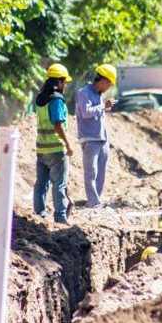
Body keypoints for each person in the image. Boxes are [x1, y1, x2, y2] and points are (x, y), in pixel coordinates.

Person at [33, 63, 75, 224]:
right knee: (59, 183)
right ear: (59, 82)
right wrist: (69, 145)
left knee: (41, 183)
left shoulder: (40, 99)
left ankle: (39, 213)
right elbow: (57, 124)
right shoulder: (56, 100)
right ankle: (60, 216)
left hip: (42, 148)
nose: (65, 85)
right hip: (56, 149)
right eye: (64, 82)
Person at [76, 64, 117, 208]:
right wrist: (102, 107)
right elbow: (86, 113)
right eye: (109, 84)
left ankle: (96, 200)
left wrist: (104, 107)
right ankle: (93, 202)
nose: (109, 88)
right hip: (90, 138)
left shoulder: (99, 95)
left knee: (101, 171)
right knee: (91, 172)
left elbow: (98, 113)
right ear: (103, 80)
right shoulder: (84, 93)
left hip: (101, 138)